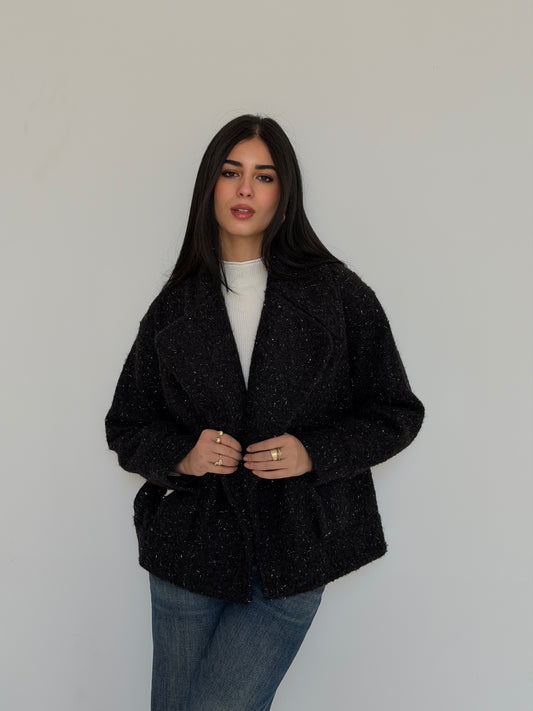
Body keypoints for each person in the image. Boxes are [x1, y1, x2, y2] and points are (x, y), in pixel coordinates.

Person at [105, 114, 424, 711]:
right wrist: (184, 455)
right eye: (231, 172)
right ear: (211, 186)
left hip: (295, 550)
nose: (246, 189)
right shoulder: (174, 305)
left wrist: (313, 452)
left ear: (284, 192)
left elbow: (396, 411)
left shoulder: (338, 293)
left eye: (264, 175)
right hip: (190, 550)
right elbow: (127, 424)